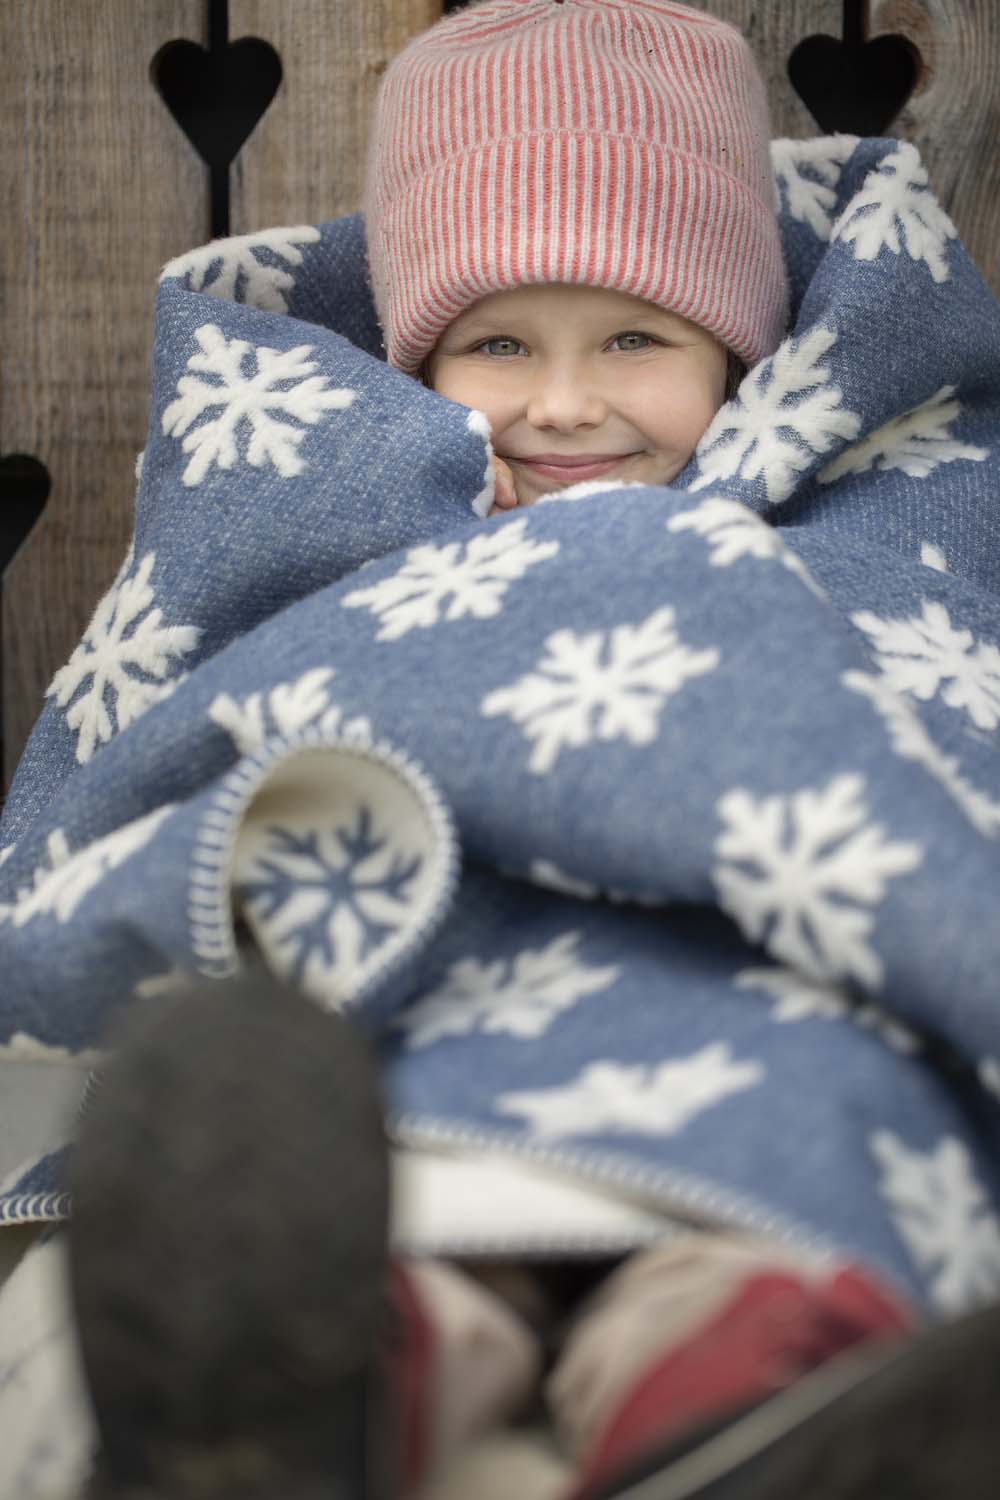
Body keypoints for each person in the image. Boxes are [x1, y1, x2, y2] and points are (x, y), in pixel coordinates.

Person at [355, 1, 915, 1495]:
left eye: (633, 336)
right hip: (452, 1003)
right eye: (494, 342)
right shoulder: (354, 538)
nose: (563, 402)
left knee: (763, 1182)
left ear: (732, 352)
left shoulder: (851, 518)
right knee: (410, 1183)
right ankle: (374, 1346)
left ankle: (725, 1372)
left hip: (754, 1008)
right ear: (413, 368)